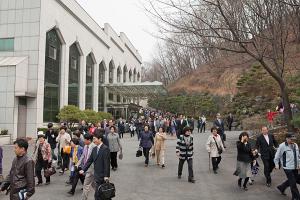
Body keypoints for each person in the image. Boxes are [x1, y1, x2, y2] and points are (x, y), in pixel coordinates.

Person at [79, 131, 110, 200]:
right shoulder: (94, 149)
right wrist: (83, 169)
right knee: (102, 193)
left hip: (102, 176)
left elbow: (107, 163)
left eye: (95, 139)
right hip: (96, 174)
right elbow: (89, 160)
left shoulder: (105, 149)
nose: (93, 141)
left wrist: (106, 176)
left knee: (98, 195)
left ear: (100, 139)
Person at [275, 133, 300, 199]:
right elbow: (277, 157)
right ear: (287, 138)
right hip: (287, 168)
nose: (293, 141)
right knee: (293, 183)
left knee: (293, 180)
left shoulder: (295, 145)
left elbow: (298, 156)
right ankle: (296, 197)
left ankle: (281, 187)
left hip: (295, 167)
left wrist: (299, 164)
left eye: (293, 139)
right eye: (291, 139)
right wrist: (277, 164)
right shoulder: (282, 146)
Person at [78, 134, 96, 200]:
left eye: (85, 139)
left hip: (92, 168)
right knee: (94, 184)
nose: (84, 141)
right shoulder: (85, 146)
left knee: (86, 185)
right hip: (86, 167)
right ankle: (101, 195)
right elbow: (83, 156)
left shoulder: (94, 147)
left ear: (89, 140)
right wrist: (78, 164)